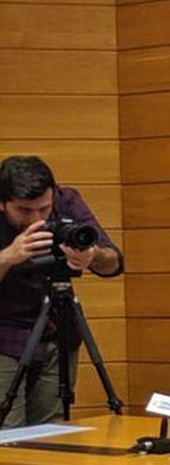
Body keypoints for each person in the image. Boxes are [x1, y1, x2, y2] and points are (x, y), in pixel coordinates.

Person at [0, 155, 123, 426]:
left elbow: (114, 261)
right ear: (2, 203)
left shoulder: (66, 200)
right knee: (6, 432)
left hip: (57, 331)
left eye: (44, 209)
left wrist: (92, 257)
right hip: (5, 333)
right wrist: (8, 256)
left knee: (50, 432)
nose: (37, 219)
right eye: (24, 211)